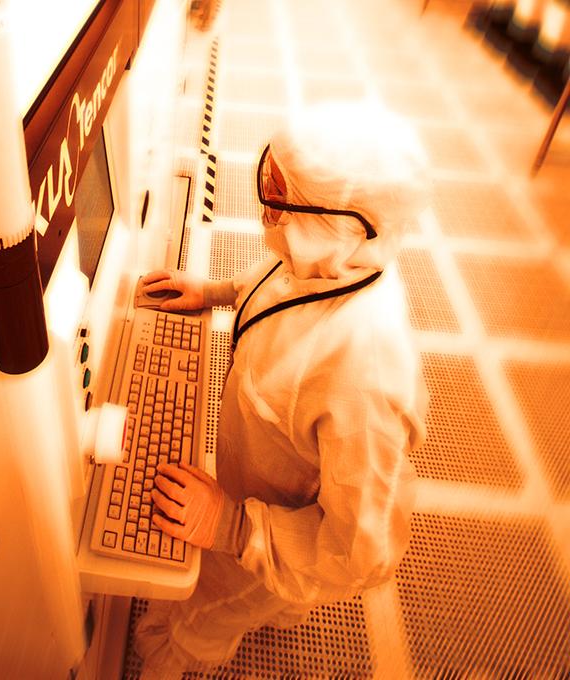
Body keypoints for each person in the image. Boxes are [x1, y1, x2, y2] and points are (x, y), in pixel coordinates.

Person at [133, 100, 431, 677]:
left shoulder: (363, 377)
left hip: (277, 526)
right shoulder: (333, 263)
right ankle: (282, 599)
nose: (269, 222)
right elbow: (278, 282)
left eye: (282, 209)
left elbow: (360, 551)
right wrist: (215, 291)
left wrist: (230, 525)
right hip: (257, 473)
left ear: (347, 229)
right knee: (259, 592)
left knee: (206, 612)